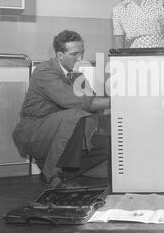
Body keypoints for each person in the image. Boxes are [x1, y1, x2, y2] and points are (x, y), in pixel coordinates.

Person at [12, 30, 110, 188]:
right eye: (74, 54)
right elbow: (78, 102)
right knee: (75, 115)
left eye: (82, 53)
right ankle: (52, 175)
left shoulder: (77, 76)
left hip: (63, 132)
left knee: (107, 145)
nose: (80, 58)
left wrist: (118, 110)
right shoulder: (44, 72)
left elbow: (95, 106)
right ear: (59, 56)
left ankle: (64, 173)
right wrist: (118, 102)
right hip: (35, 132)